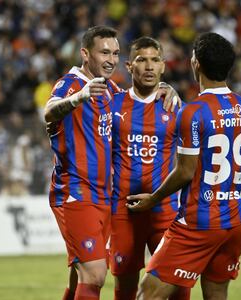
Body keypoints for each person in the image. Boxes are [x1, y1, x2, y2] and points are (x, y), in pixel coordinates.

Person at [127, 32, 241, 300]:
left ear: (196, 63)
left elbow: (186, 171)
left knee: (148, 294)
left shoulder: (194, 112)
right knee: (216, 294)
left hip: (198, 222)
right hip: (235, 222)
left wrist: (153, 199)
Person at [44, 26, 181, 300]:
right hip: (75, 191)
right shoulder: (71, 83)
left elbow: (139, 96)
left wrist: (165, 87)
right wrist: (78, 97)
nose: (110, 59)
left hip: (103, 196)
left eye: (116, 53)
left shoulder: (110, 90)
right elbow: (49, 112)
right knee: (95, 275)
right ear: (85, 53)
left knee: (79, 275)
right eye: (104, 52)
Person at [110, 37, 190, 300]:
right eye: (142, 60)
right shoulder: (113, 105)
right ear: (129, 65)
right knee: (125, 288)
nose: (149, 66)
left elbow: (191, 162)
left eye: (155, 60)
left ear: (163, 66)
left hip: (165, 213)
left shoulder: (177, 108)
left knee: (179, 287)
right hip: (124, 211)